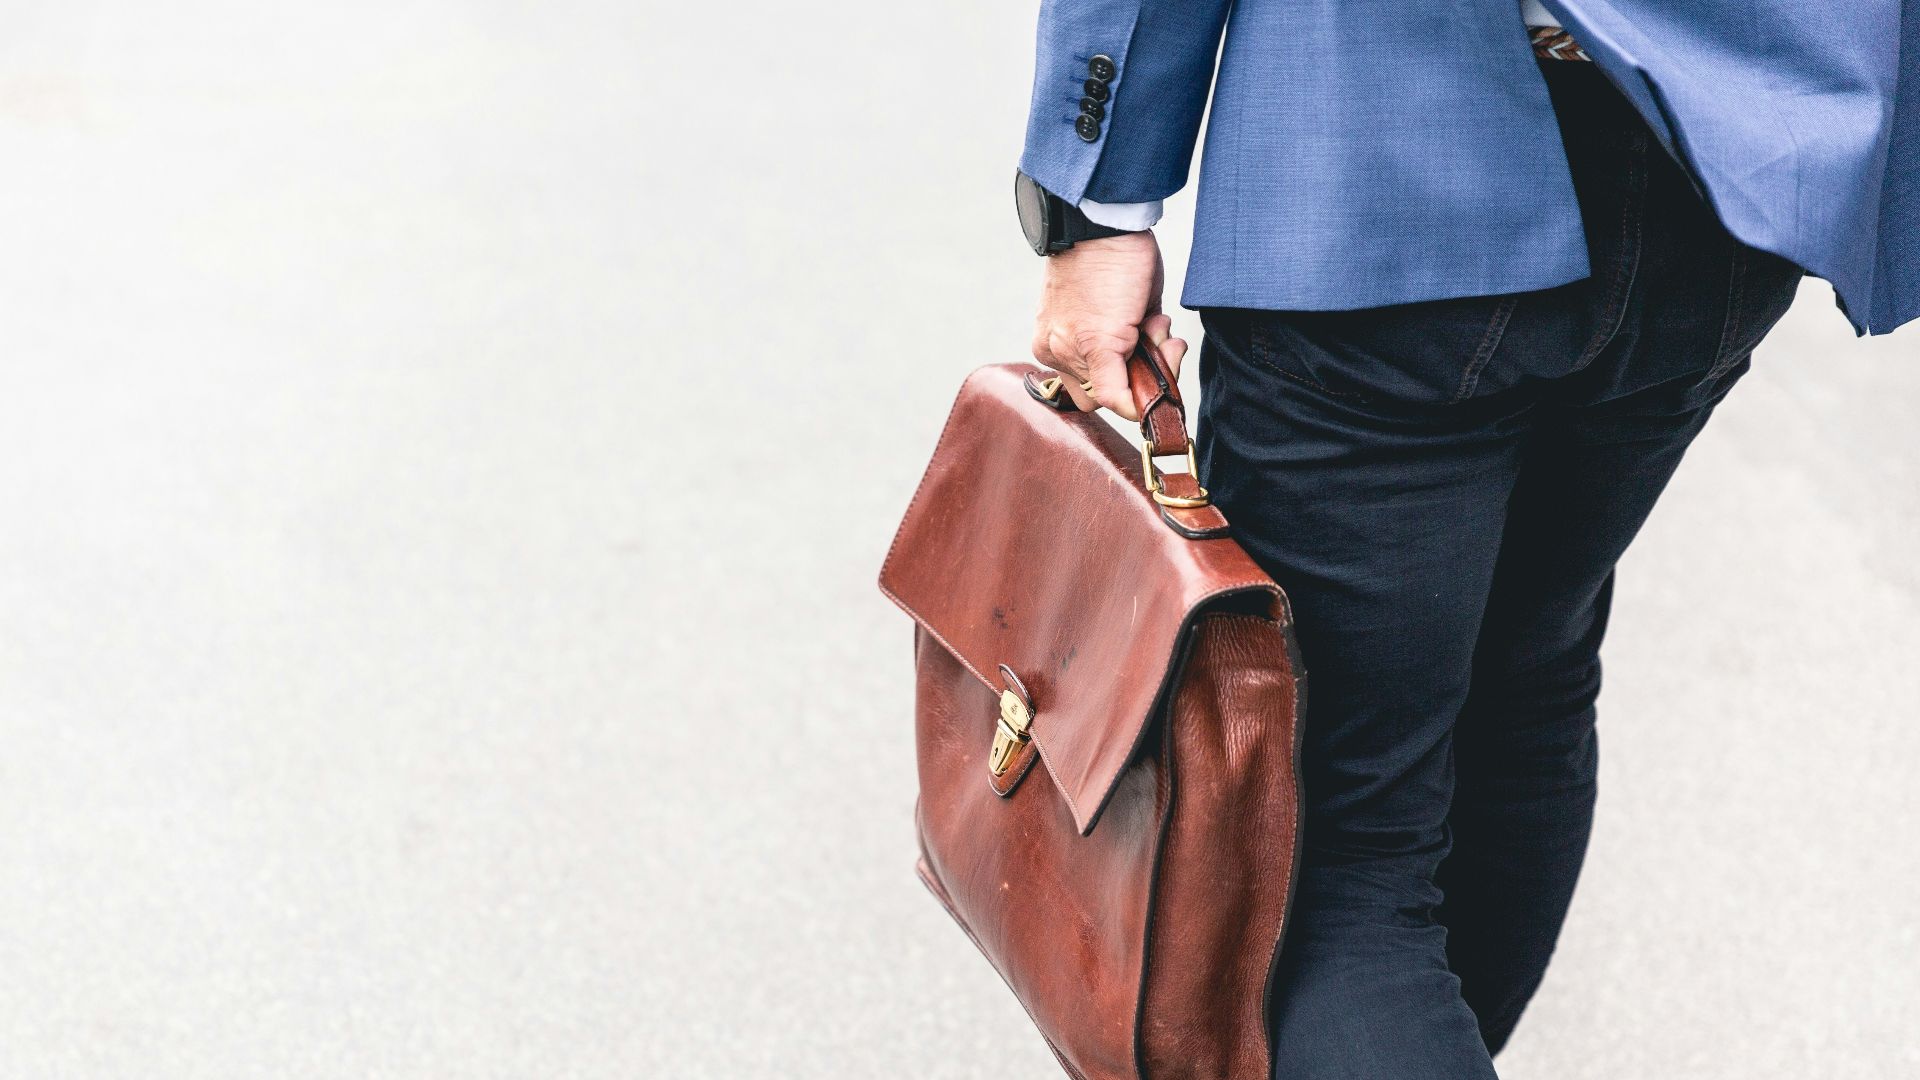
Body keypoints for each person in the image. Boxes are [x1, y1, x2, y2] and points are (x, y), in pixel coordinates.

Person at [1015, 1, 1916, 1075]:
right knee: (1523, 684)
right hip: (1726, 173)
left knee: (1323, 835)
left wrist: (1098, 202)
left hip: (1390, 170)